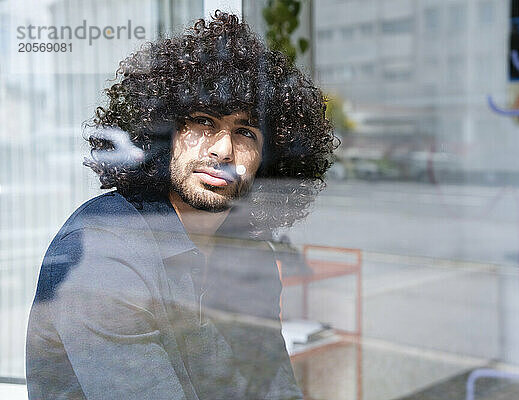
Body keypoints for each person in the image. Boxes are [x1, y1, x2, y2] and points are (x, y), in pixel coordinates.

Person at [26, 12, 337, 400]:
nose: (222, 149)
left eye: (245, 132)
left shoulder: (249, 253)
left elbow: (274, 387)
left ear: (267, 160)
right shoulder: (104, 253)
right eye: (204, 122)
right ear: (164, 133)